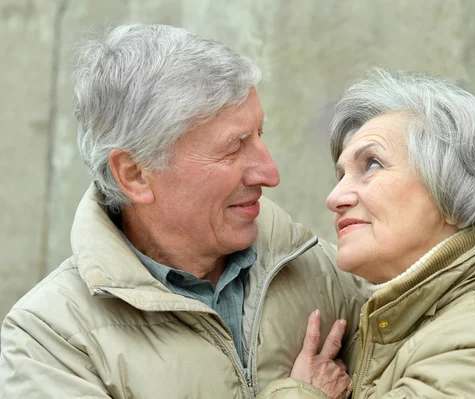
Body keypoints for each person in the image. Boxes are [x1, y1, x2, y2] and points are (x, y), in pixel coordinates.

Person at [0, 24, 368, 398]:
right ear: (136, 174)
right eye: (234, 146)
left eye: (260, 134)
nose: (270, 174)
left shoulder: (319, 265)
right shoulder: (49, 340)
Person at [259, 69, 475, 398]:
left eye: (372, 165)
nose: (335, 199)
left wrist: (301, 393)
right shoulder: (392, 318)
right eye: (340, 176)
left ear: (455, 193)